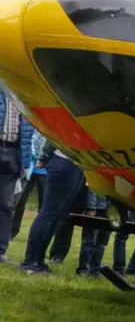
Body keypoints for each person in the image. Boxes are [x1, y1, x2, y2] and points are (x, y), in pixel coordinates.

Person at [20, 141, 89, 275]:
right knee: (48, 213)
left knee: (58, 215)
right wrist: (43, 157)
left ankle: (39, 260)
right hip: (65, 160)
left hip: (78, 163)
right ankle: (30, 261)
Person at [0, 88, 33, 265]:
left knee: (5, 205)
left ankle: (0, 252)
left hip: (14, 154)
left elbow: (28, 136)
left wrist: (26, 163)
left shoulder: (23, 98)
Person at [10, 128, 48, 241]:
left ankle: (39, 236)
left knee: (44, 205)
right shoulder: (31, 125)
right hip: (29, 170)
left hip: (45, 172)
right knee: (19, 202)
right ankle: (11, 232)